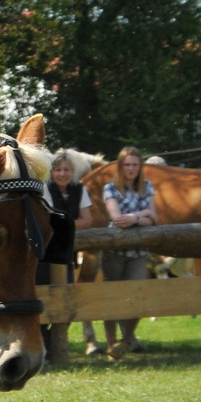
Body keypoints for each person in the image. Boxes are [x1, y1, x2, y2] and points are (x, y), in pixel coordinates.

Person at [99, 146, 157, 359]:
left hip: (139, 251)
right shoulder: (111, 188)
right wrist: (143, 215)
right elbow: (117, 218)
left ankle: (128, 338)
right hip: (115, 249)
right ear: (121, 167)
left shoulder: (147, 187)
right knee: (112, 295)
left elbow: (155, 219)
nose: (131, 168)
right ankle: (111, 342)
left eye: (135, 164)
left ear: (140, 167)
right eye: (127, 165)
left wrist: (137, 218)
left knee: (137, 295)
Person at [40, 153, 92, 364]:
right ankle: (43, 348)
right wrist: (70, 224)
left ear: (73, 172)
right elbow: (49, 219)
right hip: (44, 256)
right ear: (52, 173)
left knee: (66, 300)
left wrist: (65, 225)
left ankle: (53, 348)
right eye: (58, 170)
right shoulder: (45, 189)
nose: (62, 174)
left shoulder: (80, 190)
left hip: (65, 254)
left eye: (66, 170)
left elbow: (88, 219)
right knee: (44, 301)